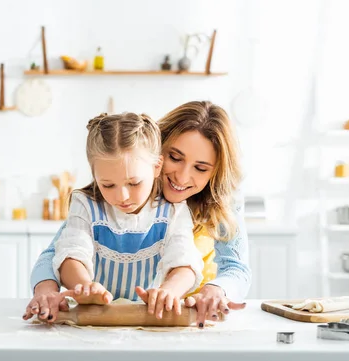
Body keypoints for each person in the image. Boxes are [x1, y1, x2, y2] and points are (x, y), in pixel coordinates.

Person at [24, 101, 250, 328]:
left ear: (216, 171)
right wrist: (47, 290)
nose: (181, 177)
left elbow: (236, 268)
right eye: (175, 157)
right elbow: (60, 252)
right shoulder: (119, 189)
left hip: (190, 313)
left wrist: (216, 289)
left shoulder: (219, 202)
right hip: (110, 314)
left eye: (200, 168)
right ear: (157, 157)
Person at [49, 112, 204, 319]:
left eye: (134, 183)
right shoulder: (85, 204)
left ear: (157, 167)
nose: (122, 196)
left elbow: (184, 261)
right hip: (96, 317)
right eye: (108, 185)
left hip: (149, 315)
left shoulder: (173, 211)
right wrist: (84, 287)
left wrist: (170, 291)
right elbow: (71, 254)